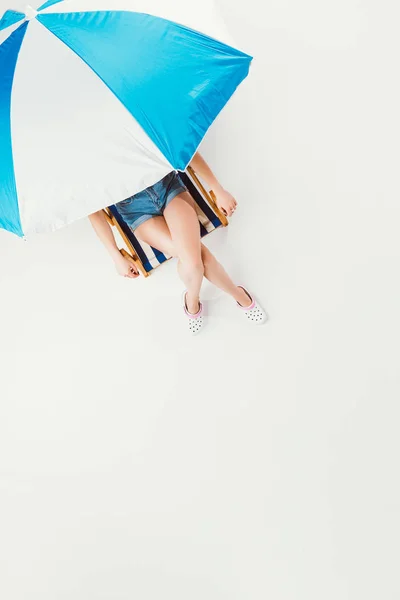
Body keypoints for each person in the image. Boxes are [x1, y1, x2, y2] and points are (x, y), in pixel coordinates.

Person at [89, 153, 266, 334]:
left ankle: (193, 301)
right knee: (194, 262)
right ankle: (238, 296)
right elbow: (92, 209)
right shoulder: (87, 156)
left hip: (168, 189)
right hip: (137, 213)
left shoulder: (134, 126)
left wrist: (218, 189)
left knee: (192, 258)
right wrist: (115, 255)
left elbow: (183, 148)